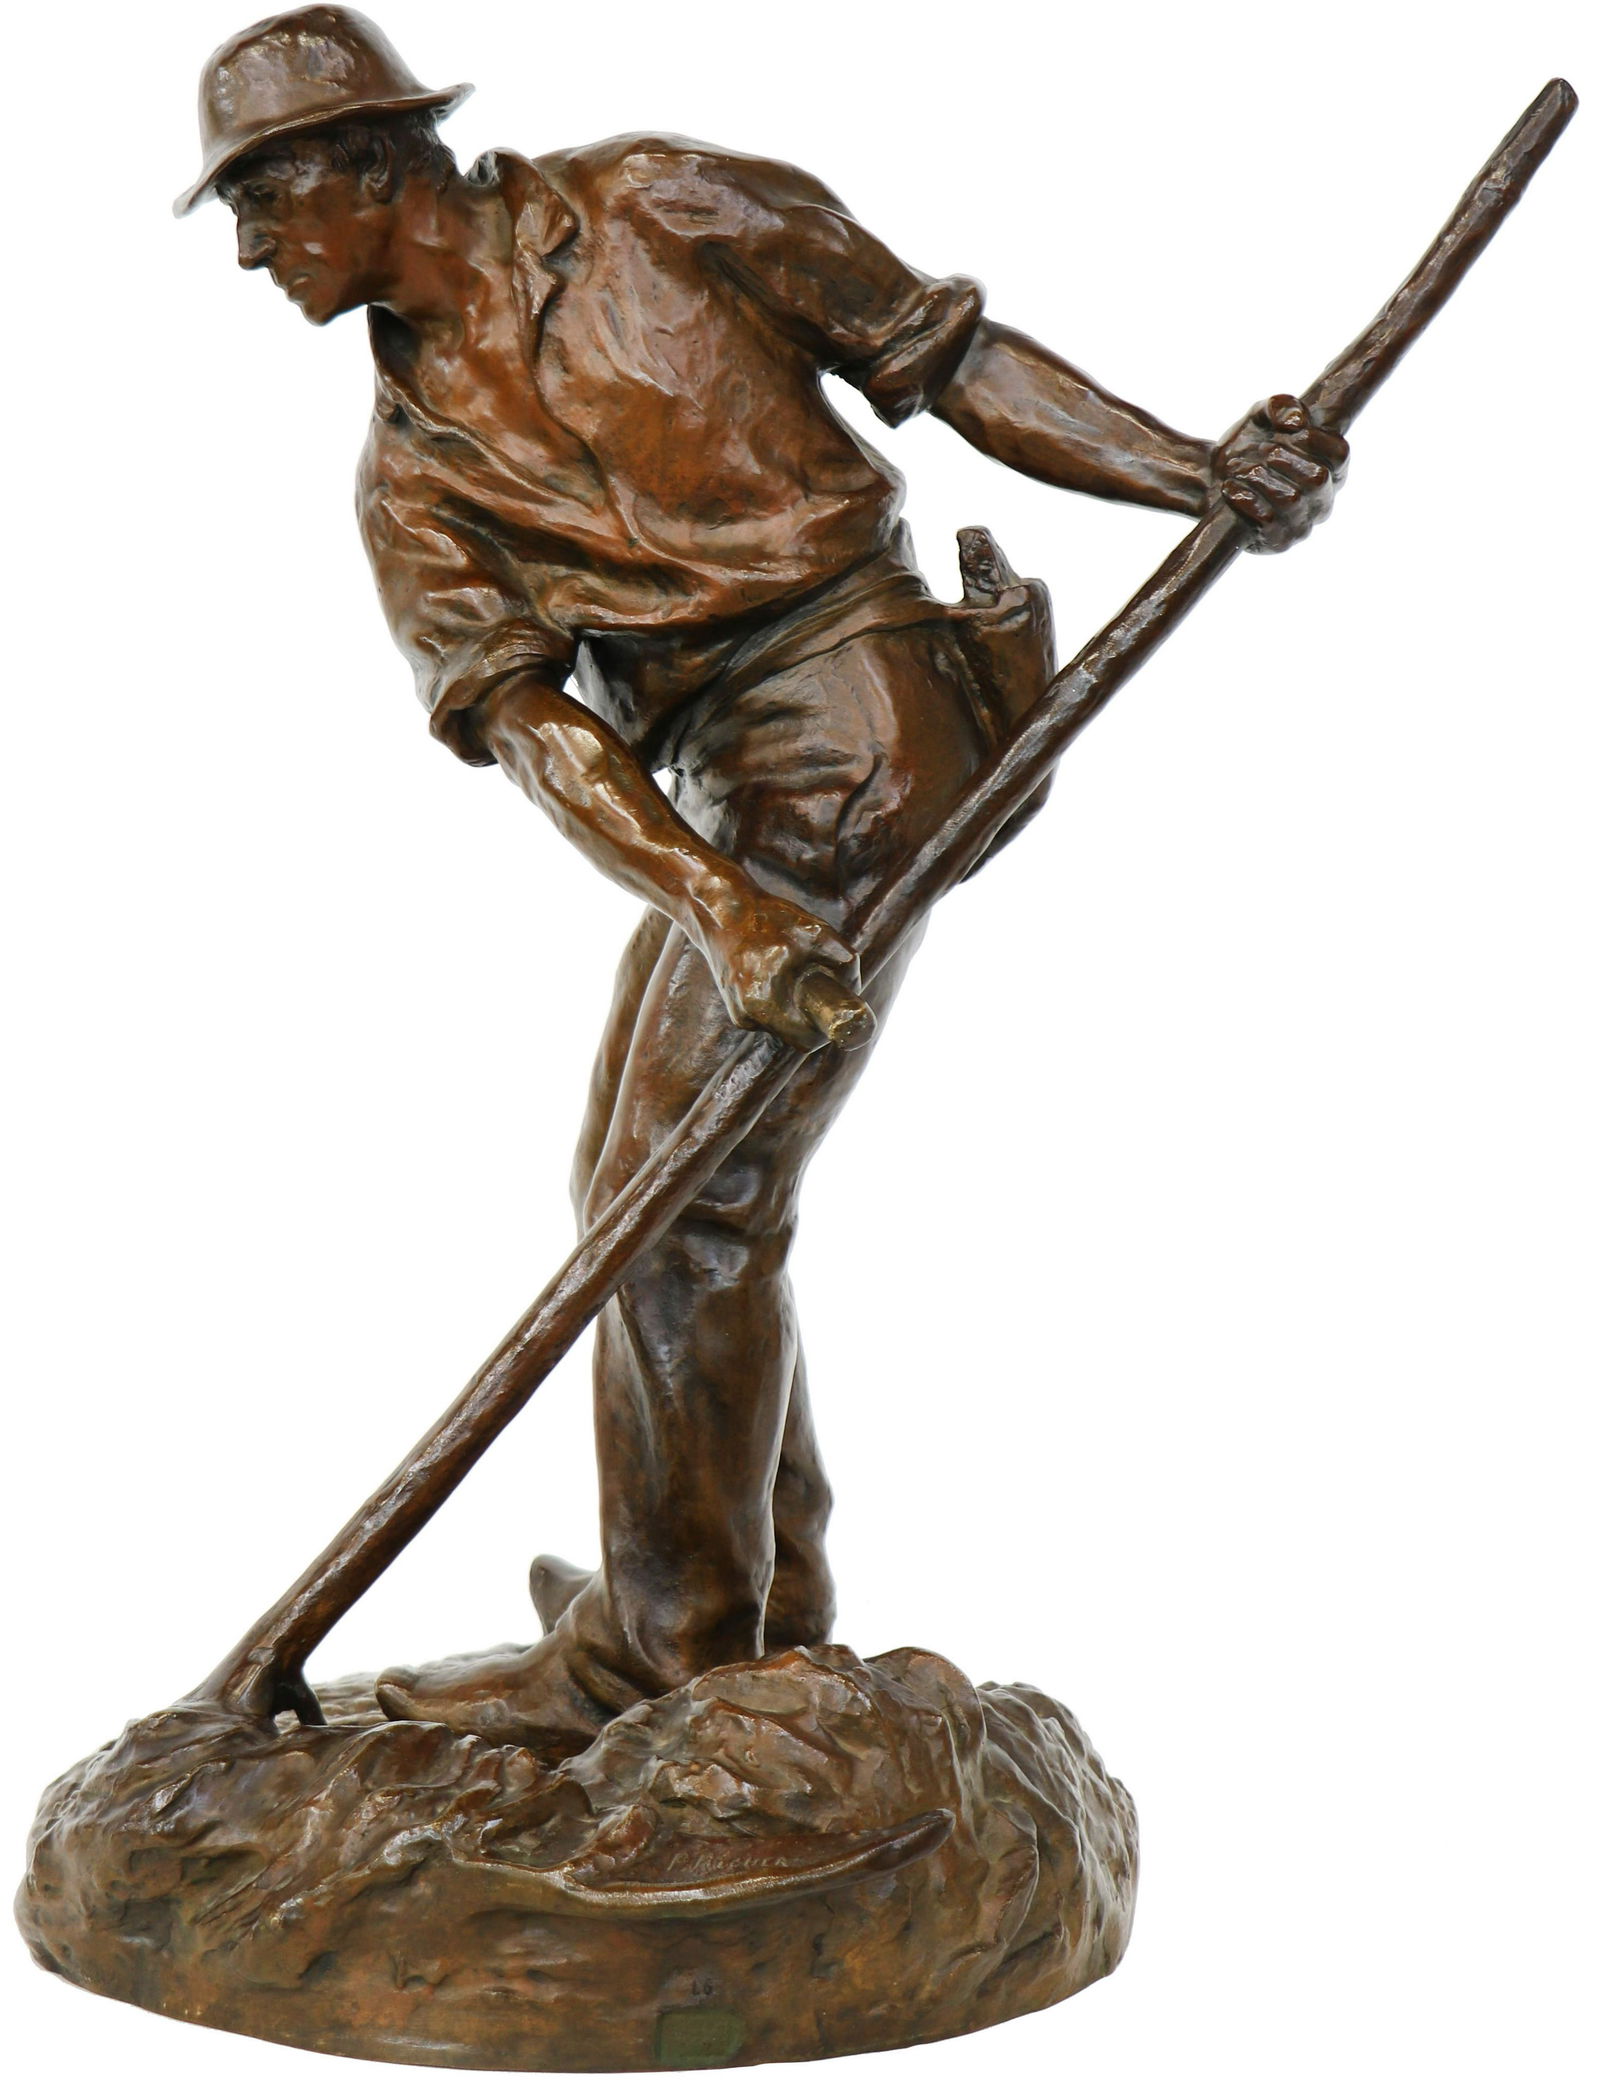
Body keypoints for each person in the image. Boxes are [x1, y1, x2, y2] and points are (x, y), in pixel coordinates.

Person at [179, 7, 1346, 1754]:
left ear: (360, 168)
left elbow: (949, 355)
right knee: (647, 1181)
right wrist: (717, 902)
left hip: (870, 712)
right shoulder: (409, 471)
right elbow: (537, 732)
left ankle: (674, 1654)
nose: (254, 255)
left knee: (683, 1196)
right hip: (718, 794)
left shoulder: (664, 204)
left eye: (264, 208)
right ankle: (742, 1597)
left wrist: (1196, 473)